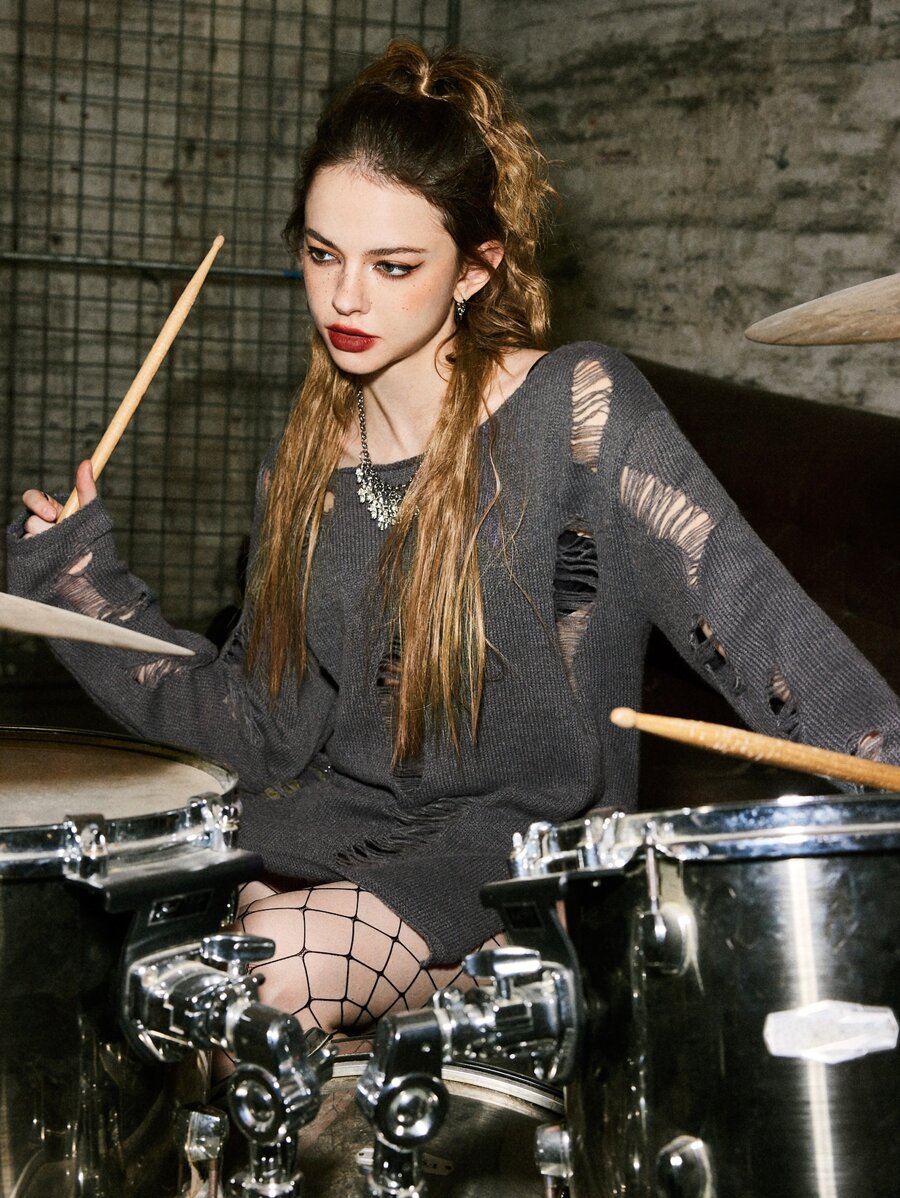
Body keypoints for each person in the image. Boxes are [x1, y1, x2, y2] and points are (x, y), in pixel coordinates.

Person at [8, 41, 900, 1039]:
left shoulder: (578, 412)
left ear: (477, 269)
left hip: (515, 856)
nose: (346, 299)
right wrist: (78, 582)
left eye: (394, 266)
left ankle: (488, 986)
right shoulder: (302, 462)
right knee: (120, 960)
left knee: (262, 977)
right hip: (329, 838)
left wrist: (887, 753)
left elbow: (759, 628)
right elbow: (258, 729)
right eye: (322, 254)